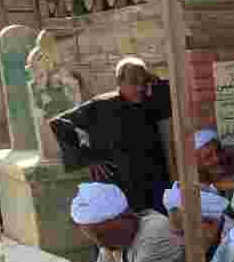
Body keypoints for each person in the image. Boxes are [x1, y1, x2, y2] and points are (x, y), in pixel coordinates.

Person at [51, 57, 173, 212]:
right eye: (134, 82)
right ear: (120, 82)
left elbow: (169, 93)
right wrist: (88, 158)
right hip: (119, 184)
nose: (140, 88)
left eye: (143, 82)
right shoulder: (102, 105)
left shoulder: (149, 102)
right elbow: (59, 124)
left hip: (153, 182)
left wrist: (153, 80)